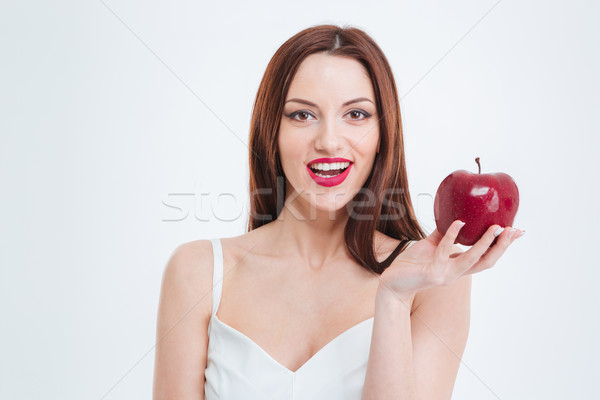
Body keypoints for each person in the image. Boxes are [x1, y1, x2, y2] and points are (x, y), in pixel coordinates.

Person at [152, 24, 523, 400]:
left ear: (383, 135)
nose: (329, 141)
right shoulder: (197, 272)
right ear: (272, 133)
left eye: (357, 115)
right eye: (302, 115)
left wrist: (393, 299)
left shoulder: (434, 282)